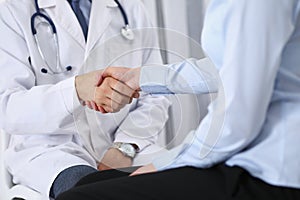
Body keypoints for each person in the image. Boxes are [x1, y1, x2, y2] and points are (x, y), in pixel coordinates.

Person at [57, 0, 300, 199]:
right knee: (89, 183)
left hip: (274, 170)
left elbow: (236, 122)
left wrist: (165, 163)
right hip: (253, 153)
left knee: (79, 198)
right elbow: (232, 67)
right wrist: (140, 78)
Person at [0, 0, 170, 198]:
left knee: (182, 182)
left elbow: (156, 94)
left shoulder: (130, 6)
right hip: (52, 152)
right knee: (92, 192)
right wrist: (76, 90)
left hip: (126, 144)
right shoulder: (12, 9)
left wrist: (125, 147)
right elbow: (8, 106)